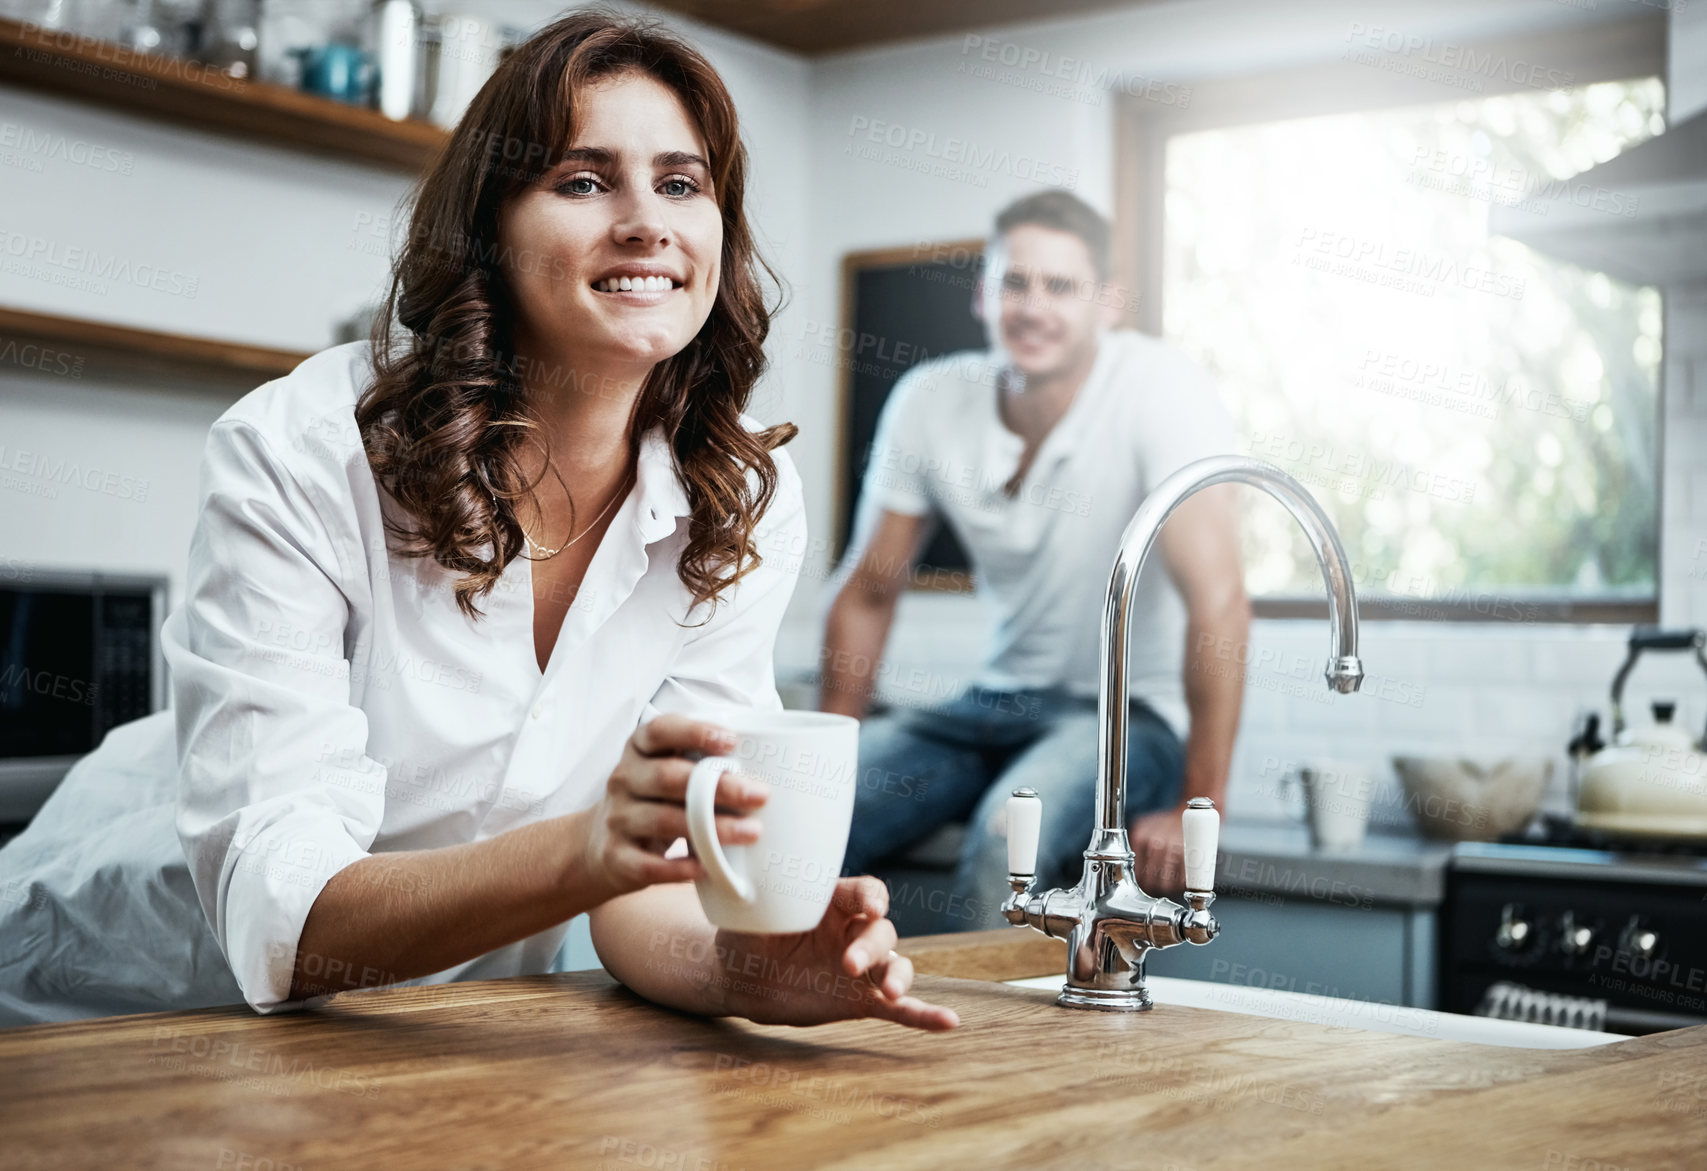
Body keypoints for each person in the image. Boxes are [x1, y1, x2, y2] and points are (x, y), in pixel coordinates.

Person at [0, 12, 955, 1034]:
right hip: (121, 1010)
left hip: (422, 1037)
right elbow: (282, 918)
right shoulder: (303, 449)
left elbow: (646, 874)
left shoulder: (737, 496)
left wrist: (738, 969)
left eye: (682, 183)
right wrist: (587, 847)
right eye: (584, 181)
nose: (647, 222)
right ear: (489, 226)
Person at [826, 191, 1250, 931]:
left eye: (1060, 286)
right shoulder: (928, 400)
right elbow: (868, 591)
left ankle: (976, 1049)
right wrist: (824, 758)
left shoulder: (1160, 388)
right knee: (803, 820)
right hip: (989, 704)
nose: (1032, 306)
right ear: (983, 295)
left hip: (1126, 719)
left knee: (1003, 844)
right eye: (1014, 283)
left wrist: (1197, 800)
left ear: (1106, 303)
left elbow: (1218, 602)